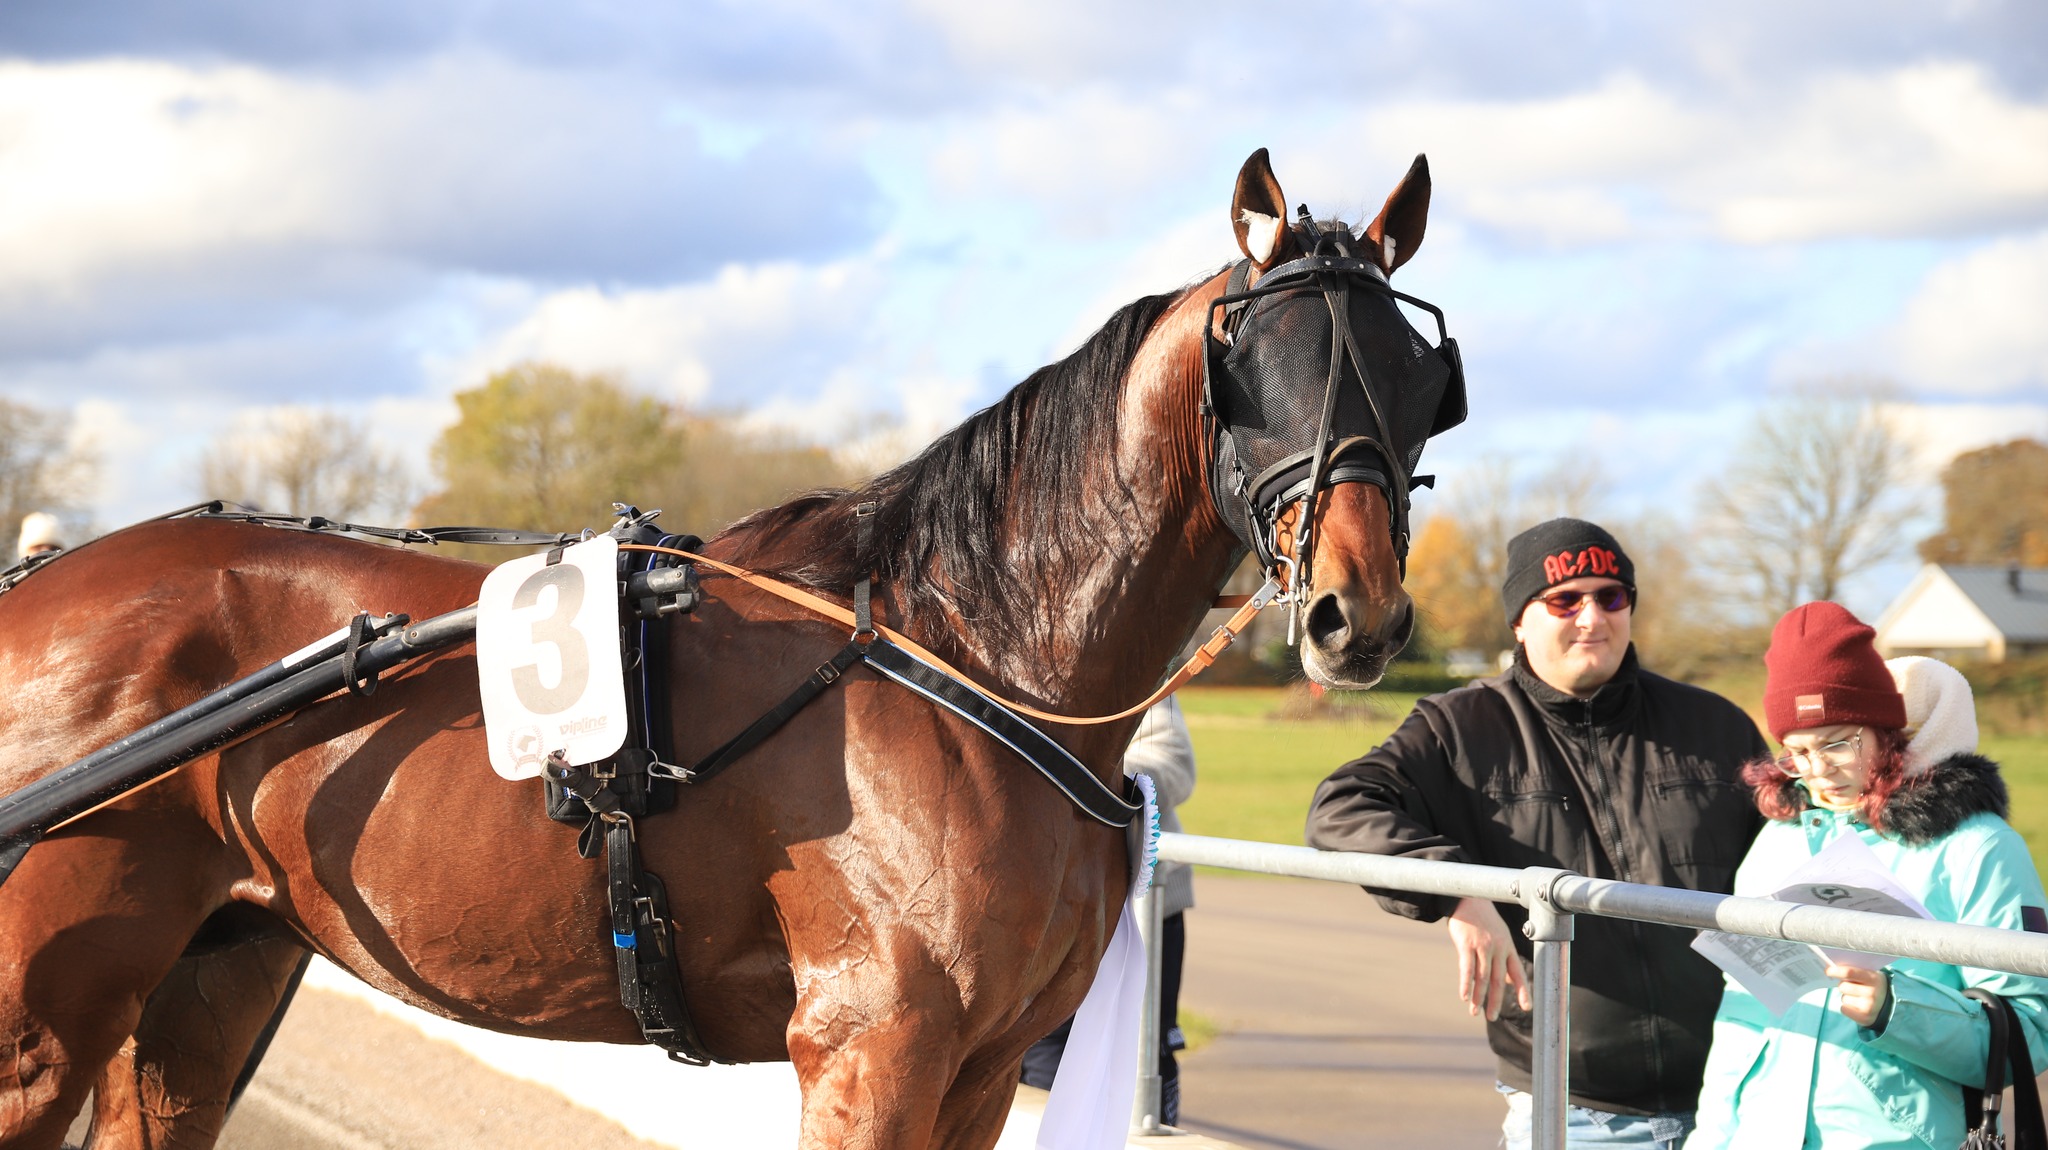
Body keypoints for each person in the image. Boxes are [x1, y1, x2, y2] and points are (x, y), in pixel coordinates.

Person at [1305, 518, 1768, 1149]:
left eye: (1611, 597)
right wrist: (1456, 890)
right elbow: (1341, 807)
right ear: (1520, 621)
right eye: (1565, 600)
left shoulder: (1715, 726)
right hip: (1574, 1113)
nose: (1592, 617)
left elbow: (1799, 854)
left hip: (1741, 1100)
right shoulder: (1458, 729)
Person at [1687, 602, 2048, 1149]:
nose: (1818, 770)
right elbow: (1739, 1018)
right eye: (1797, 751)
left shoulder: (1977, 847)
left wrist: (1895, 1009)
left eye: (1838, 742)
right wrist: (1709, 1142)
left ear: (1885, 731)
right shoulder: (1776, 840)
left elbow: (2030, 1032)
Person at [1021, 695, 1197, 1124]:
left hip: (1140, 909)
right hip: (1024, 911)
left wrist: (1067, 771)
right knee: (1035, 1066)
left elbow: (1172, 761)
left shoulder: (1144, 662)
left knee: (1140, 1064)